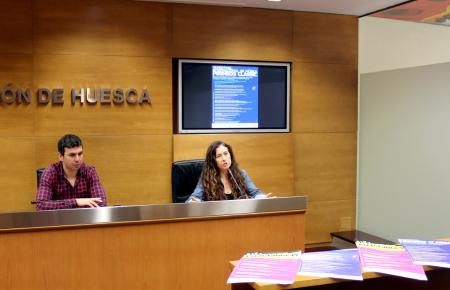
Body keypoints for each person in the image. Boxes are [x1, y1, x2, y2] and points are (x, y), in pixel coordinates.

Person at [35, 134, 107, 210]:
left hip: (85, 220)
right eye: (72, 155)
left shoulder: (89, 172)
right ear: (61, 156)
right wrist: (76, 202)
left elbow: (101, 203)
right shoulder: (50, 173)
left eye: (80, 154)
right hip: (59, 220)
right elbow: (41, 205)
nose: (77, 159)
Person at [186, 141, 269, 202]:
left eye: (226, 154)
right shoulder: (207, 177)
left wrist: (262, 198)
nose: (224, 159)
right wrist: (194, 203)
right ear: (213, 161)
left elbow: (255, 192)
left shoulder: (241, 173)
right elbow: (194, 198)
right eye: (219, 156)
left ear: (230, 155)